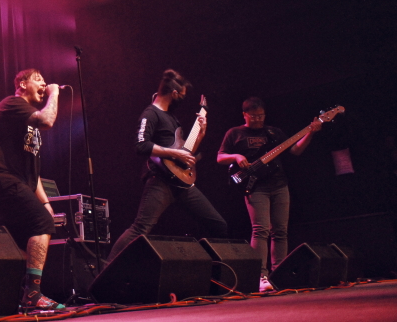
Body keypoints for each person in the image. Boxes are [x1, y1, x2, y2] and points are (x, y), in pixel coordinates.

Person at [107, 69, 227, 262]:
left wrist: (201, 134)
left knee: (218, 225)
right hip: (160, 182)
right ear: (174, 94)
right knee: (140, 228)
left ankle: (210, 273)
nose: (183, 99)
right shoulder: (150, 113)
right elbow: (141, 145)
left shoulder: (172, 117)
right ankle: (105, 273)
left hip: (181, 182)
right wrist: (173, 152)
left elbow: (185, 153)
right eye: (182, 95)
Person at [217, 97, 321, 292]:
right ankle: (261, 276)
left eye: (261, 116)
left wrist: (310, 133)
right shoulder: (235, 133)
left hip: (279, 184)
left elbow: (295, 150)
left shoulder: (274, 132)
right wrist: (237, 156)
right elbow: (220, 157)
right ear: (245, 115)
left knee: (280, 230)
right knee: (260, 229)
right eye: (254, 116)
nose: (258, 120)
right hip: (255, 187)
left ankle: (279, 274)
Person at [0, 69, 63, 311]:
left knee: (28, 235)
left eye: (46, 81)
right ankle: (33, 294)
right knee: (42, 225)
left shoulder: (28, 124)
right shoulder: (12, 103)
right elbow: (48, 120)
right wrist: (54, 92)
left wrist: (46, 204)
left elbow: (31, 174)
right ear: (22, 84)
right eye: (39, 80)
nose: (45, 84)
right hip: (0, 176)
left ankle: (12, 296)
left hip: (16, 180)